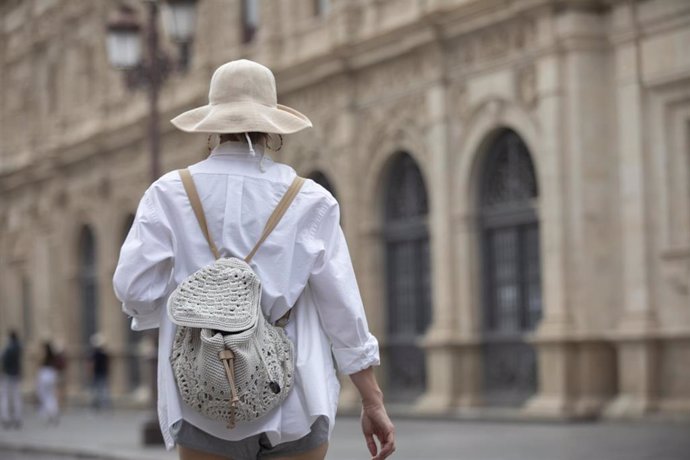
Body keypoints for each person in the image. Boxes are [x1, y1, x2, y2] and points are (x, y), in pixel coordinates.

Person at [113, 59, 395, 460]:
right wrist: (372, 401)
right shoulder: (310, 200)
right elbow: (343, 309)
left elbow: (133, 289)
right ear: (272, 129)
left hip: (203, 398)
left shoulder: (168, 194)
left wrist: (197, 306)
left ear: (212, 127)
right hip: (296, 396)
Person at [1, 330, 22, 429]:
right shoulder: (19, 347)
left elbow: (3, 359)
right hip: (16, 375)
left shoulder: (8, 348)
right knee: (16, 397)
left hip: (8, 375)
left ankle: (6, 418)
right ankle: (17, 417)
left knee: (5, 397)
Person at [36, 341, 59, 425]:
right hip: (52, 375)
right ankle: (53, 412)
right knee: (51, 395)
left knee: (44, 395)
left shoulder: (44, 355)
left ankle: (48, 413)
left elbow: (39, 364)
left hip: (45, 375)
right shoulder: (53, 355)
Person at [89, 333, 111, 411]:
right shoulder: (104, 354)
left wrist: (90, 373)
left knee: (96, 391)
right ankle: (104, 406)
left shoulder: (95, 354)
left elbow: (92, 364)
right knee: (104, 391)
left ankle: (96, 407)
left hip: (97, 374)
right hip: (103, 373)